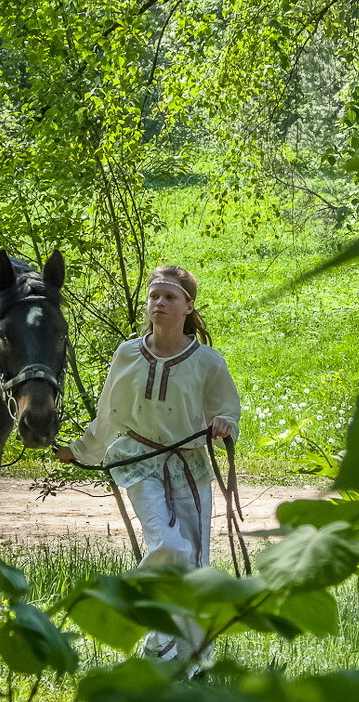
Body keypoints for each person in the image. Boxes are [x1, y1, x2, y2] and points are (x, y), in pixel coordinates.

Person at [55, 264, 240, 671]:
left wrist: (226, 424)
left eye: (170, 297)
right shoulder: (127, 354)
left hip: (190, 467)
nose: (159, 303)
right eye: (154, 296)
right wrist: (81, 450)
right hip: (139, 462)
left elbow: (227, 409)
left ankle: (191, 664)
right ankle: (152, 635)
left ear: (188, 306)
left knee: (193, 564)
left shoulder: (207, 361)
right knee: (169, 547)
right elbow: (109, 414)